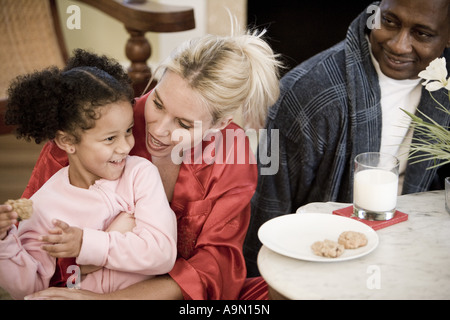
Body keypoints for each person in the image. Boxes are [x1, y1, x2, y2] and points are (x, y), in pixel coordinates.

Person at [5, 29, 282, 299]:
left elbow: (215, 266)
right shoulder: (93, 126)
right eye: (158, 103)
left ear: (218, 126)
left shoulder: (230, 150)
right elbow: (36, 251)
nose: (159, 130)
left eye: (183, 124)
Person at [245, 0, 450, 276]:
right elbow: (265, 213)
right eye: (389, 21)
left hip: (417, 261)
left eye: (422, 34)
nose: (399, 45)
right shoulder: (305, 95)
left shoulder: (444, 90)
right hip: (320, 270)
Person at [0, 50, 177, 300]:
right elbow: (31, 289)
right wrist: (4, 243)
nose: (125, 147)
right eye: (109, 138)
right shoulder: (43, 206)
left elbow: (162, 255)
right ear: (67, 141)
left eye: (128, 131)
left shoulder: (140, 174)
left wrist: (86, 244)